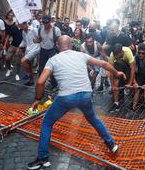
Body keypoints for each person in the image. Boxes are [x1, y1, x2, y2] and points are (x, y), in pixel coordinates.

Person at [27, 35, 125, 170]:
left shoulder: (53, 60)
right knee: (93, 119)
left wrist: (38, 99)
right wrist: (116, 73)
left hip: (66, 97)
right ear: (71, 45)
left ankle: (43, 159)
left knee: (47, 122)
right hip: (86, 94)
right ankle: (111, 144)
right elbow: (103, 63)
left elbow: (40, 81)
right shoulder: (81, 55)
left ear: (57, 45)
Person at [34, 15, 61, 88]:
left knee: (51, 69)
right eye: (43, 22)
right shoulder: (40, 28)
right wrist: (36, 40)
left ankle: (54, 84)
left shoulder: (56, 30)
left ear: (50, 21)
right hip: (43, 50)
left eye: (46, 22)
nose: (45, 24)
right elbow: (39, 39)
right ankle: (40, 84)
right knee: (41, 69)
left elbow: (59, 41)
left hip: (52, 50)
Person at [109, 43, 135, 111]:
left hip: (128, 66)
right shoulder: (112, 55)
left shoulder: (128, 52)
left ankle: (132, 102)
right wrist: (112, 85)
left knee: (129, 83)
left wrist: (129, 83)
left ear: (121, 52)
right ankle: (116, 103)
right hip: (119, 66)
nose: (116, 57)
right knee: (115, 82)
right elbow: (111, 71)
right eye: (115, 56)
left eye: (117, 56)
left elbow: (132, 68)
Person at [4, 11, 23, 80]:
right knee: (7, 58)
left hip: (20, 47)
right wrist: (5, 45)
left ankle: (17, 74)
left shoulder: (24, 29)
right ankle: (9, 69)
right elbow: (8, 36)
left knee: (18, 62)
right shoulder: (13, 27)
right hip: (13, 45)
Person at [19, 21, 40, 86]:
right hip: (28, 50)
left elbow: (40, 39)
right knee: (28, 64)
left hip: (35, 49)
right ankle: (31, 80)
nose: (20, 27)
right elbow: (24, 41)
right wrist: (20, 46)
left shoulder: (34, 30)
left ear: (25, 24)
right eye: (20, 26)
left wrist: (37, 40)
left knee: (23, 61)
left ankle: (28, 74)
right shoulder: (23, 32)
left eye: (21, 26)